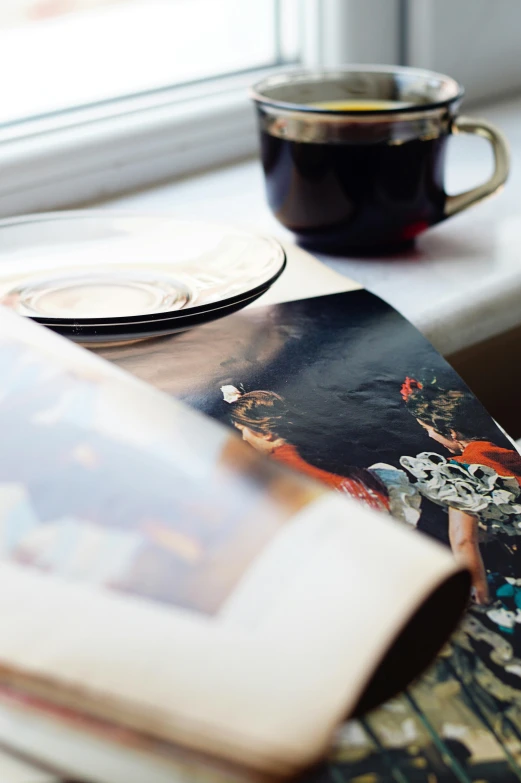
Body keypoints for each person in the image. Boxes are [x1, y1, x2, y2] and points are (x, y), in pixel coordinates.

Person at [400, 376, 521, 605]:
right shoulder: (508, 452)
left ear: (452, 432)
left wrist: (481, 596)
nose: (428, 435)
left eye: (427, 428)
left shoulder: (461, 471)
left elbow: (464, 540)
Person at [221, 385, 392, 513]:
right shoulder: (306, 444)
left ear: (265, 433)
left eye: (242, 430)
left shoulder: (282, 464)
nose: (243, 438)